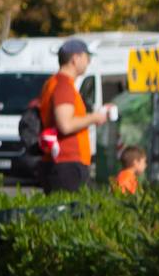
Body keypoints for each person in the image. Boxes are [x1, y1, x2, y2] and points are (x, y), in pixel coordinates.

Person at [34, 38, 113, 193]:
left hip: (59, 162)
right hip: (67, 164)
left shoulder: (53, 82)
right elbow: (65, 124)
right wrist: (95, 117)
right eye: (86, 56)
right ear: (75, 59)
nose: (88, 61)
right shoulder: (64, 85)